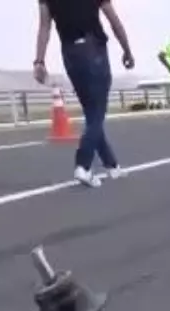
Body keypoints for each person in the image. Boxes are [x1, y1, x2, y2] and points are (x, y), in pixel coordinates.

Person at [33, 0, 134, 187]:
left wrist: (39, 61)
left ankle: (112, 165)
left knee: (91, 112)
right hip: (93, 48)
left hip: (70, 53)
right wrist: (127, 51)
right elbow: (114, 21)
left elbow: (44, 27)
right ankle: (83, 165)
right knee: (97, 111)